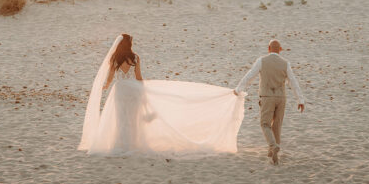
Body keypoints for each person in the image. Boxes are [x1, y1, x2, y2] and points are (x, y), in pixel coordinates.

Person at [78, 34, 245, 156]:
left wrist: (103, 88)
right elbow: (138, 78)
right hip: (132, 91)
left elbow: (109, 80)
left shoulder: (114, 59)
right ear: (130, 44)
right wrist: (145, 90)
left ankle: (120, 144)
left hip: (120, 91)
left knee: (121, 118)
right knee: (134, 118)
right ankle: (131, 145)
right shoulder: (135, 58)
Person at [234, 39, 305, 165]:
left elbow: (250, 75)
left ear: (268, 48)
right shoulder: (285, 63)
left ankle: (273, 146)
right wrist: (300, 99)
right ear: (280, 50)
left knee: (265, 124)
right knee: (277, 125)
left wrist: (239, 88)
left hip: (267, 96)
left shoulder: (262, 61)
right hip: (281, 98)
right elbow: (293, 82)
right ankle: (273, 153)